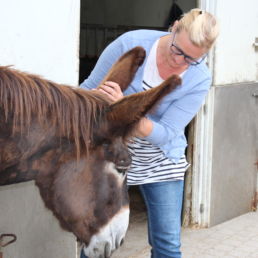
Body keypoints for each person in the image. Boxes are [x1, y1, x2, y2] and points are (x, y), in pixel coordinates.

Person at [80, 8, 219, 258]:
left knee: (167, 245)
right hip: (111, 153)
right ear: (174, 27)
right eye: (178, 50)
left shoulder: (199, 78)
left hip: (160, 160)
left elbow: (166, 134)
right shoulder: (131, 45)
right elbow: (87, 91)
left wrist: (126, 109)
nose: (179, 61)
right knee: (96, 243)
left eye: (191, 59)